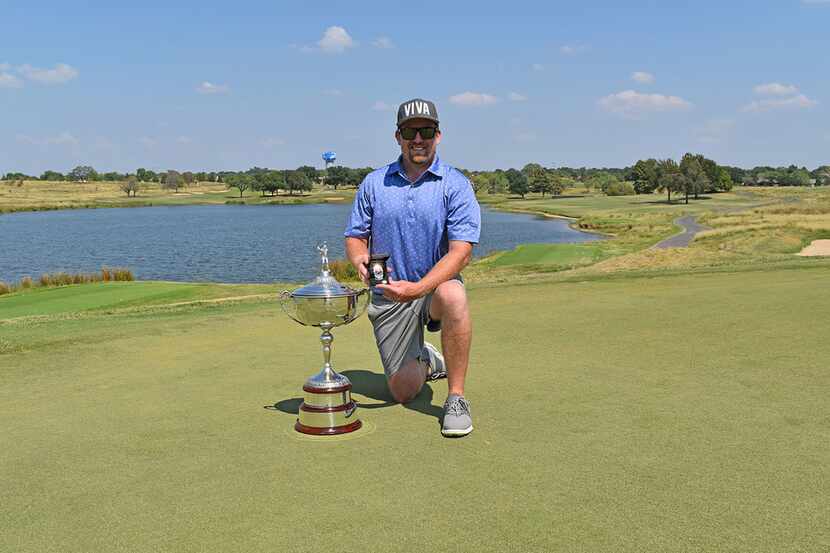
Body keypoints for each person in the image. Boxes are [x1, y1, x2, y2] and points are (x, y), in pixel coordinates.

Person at [344, 98, 481, 437]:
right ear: (397, 136)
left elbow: (461, 252)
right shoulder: (374, 183)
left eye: (426, 131)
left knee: (453, 295)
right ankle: (429, 361)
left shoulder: (455, 184)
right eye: (410, 131)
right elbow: (355, 236)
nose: (418, 139)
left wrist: (419, 289)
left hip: (432, 289)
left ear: (438, 135)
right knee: (402, 393)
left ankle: (456, 398)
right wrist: (359, 259)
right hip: (390, 295)